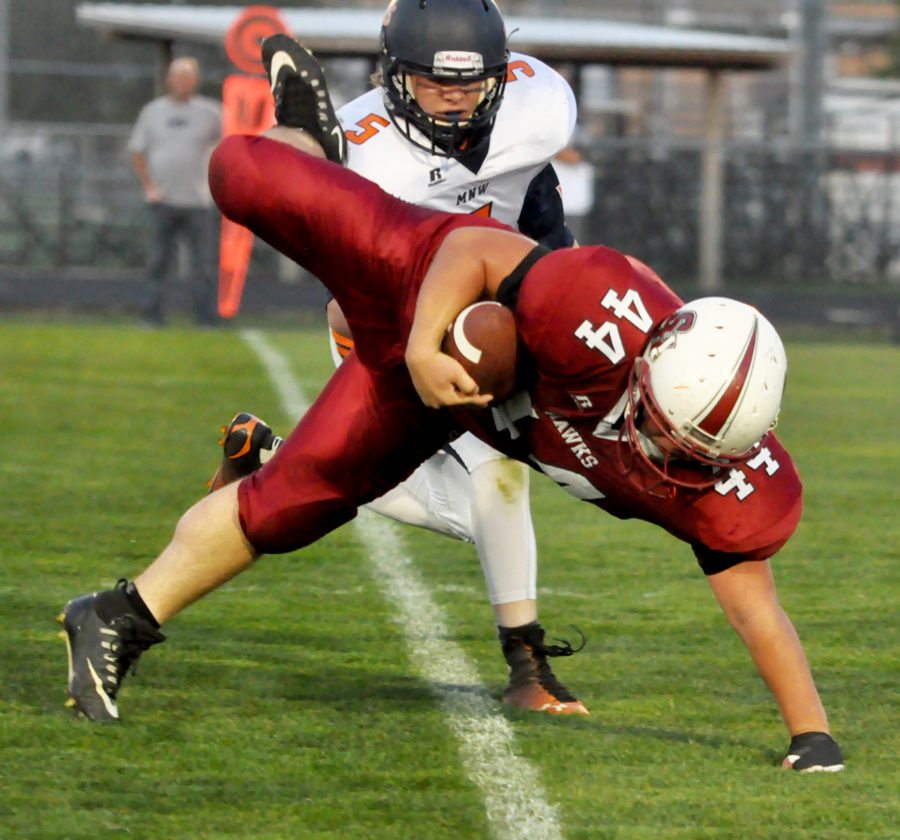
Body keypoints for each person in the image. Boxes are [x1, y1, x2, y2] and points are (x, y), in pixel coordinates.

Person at [60, 94, 843, 771]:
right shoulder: (593, 306)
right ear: (648, 366)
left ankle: (111, 616)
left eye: (689, 452)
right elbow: (472, 248)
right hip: (422, 278)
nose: (665, 456)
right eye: (665, 431)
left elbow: (756, 609)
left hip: (443, 400)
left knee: (287, 510)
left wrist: (813, 735)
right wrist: (425, 349)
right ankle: (308, 136)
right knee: (240, 171)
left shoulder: (728, 487)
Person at [209, 0, 588, 715]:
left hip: (488, 319)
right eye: (434, 81)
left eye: (471, 82)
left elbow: (540, 212)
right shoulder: (364, 146)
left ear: (500, 75)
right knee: (499, 477)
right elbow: (288, 208)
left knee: (482, 501)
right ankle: (529, 667)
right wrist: (303, 140)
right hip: (385, 326)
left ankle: (272, 456)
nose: (454, 99)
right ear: (392, 75)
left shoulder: (536, 110)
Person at [129, 56, 222, 327]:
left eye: (187, 76)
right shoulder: (152, 112)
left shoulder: (212, 113)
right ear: (169, 80)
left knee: (203, 264)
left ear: (196, 80)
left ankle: (205, 318)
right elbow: (137, 150)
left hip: (199, 201)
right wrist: (149, 187)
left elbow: (229, 146)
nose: (182, 82)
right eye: (177, 76)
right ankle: (152, 315)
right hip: (162, 201)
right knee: (157, 261)